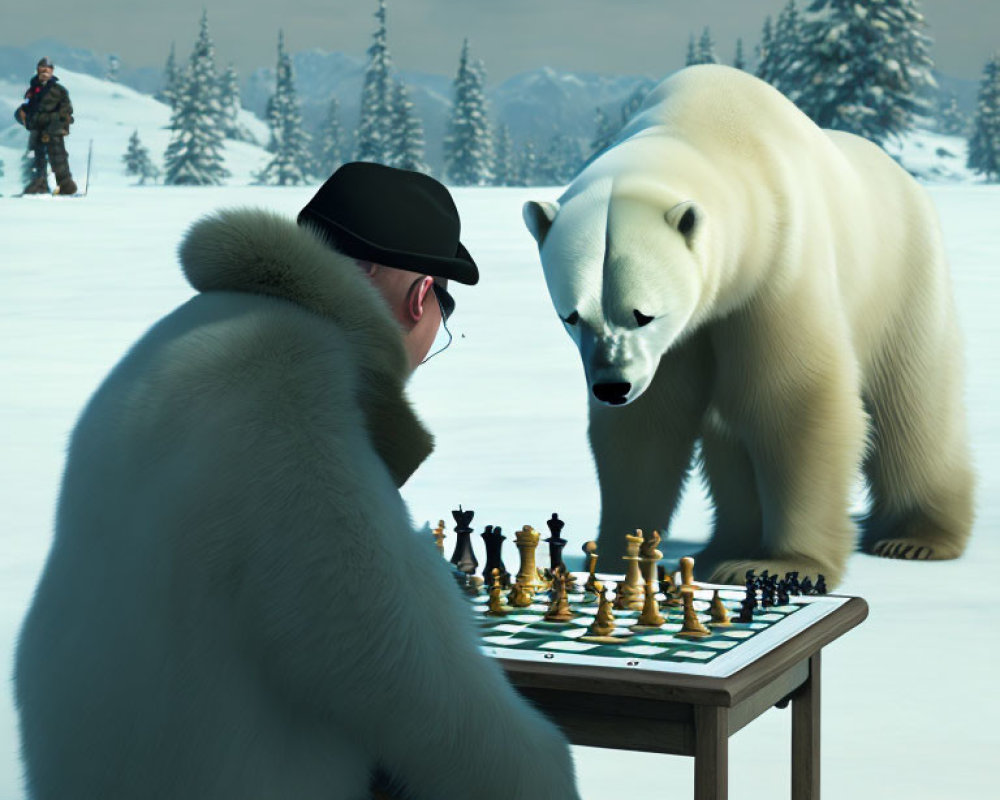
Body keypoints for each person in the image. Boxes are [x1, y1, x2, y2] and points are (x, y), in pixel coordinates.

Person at [14, 162, 581, 800]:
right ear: (422, 297)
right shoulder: (293, 379)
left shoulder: (183, 336)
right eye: (436, 334)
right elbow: (405, 682)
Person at [15, 57, 77, 195]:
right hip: (37, 129)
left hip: (53, 130)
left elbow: (66, 111)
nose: (44, 72)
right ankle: (39, 184)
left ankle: (66, 185)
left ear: (52, 71)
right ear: (37, 70)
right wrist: (23, 114)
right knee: (37, 158)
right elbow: (29, 108)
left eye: (47, 69)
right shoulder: (33, 90)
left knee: (58, 157)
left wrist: (55, 121)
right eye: (41, 69)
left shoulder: (59, 91)